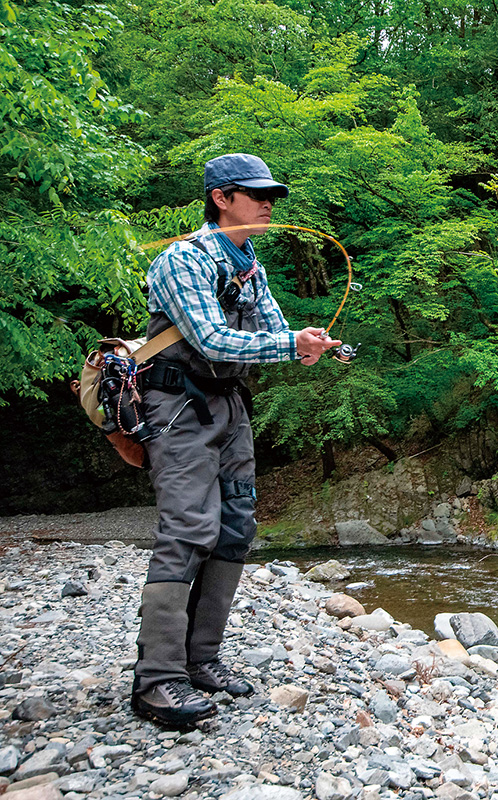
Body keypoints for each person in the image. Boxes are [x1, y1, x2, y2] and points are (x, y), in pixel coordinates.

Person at [130, 153, 341, 728]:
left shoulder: (248, 262)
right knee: (188, 528)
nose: (268, 202)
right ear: (221, 199)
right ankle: (156, 681)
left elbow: (272, 331)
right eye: (255, 194)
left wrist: (310, 342)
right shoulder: (184, 258)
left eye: (271, 193)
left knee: (236, 525)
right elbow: (214, 341)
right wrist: (288, 345)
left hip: (228, 404)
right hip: (176, 406)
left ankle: (201, 661)